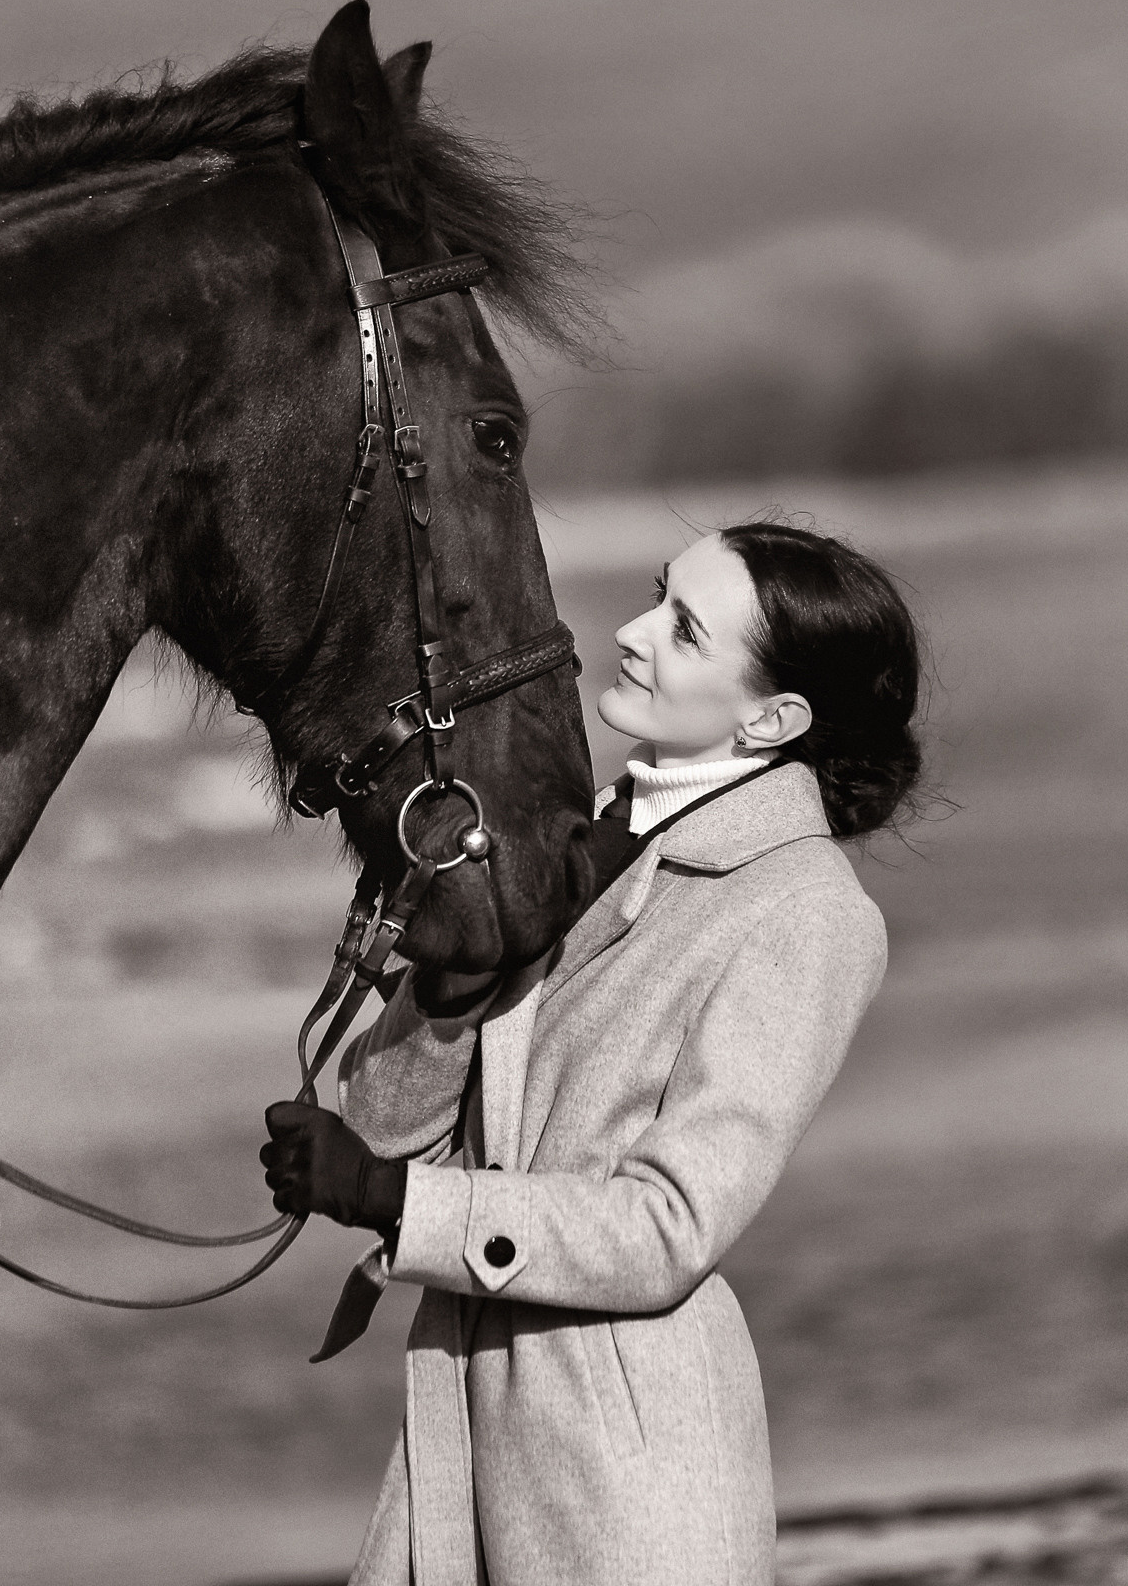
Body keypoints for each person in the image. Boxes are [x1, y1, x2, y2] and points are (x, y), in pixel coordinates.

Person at [260, 516, 924, 1585]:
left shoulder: (808, 913)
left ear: (773, 718)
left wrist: (399, 1201)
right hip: (458, 1437)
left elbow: (670, 1225)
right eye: (660, 594)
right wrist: (452, 983)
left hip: (629, 1480)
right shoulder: (570, 831)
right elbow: (385, 1123)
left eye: (686, 629)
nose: (631, 630)